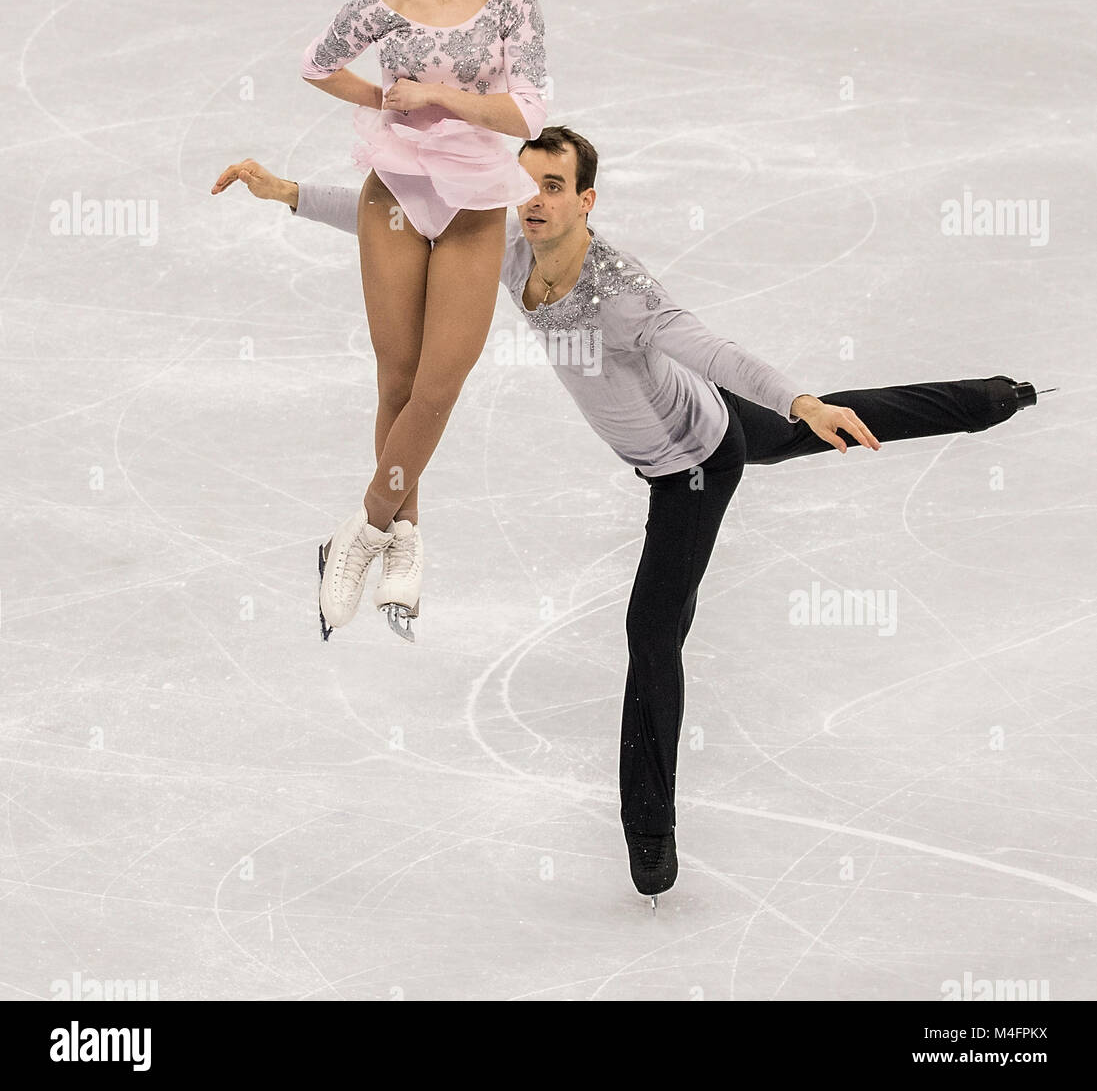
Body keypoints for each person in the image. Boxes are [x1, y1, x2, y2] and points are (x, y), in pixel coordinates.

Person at [211, 129, 1040, 901]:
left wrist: (797, 394)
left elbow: (714, 351)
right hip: (697, 422)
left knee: (653, 631)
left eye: (553, 186)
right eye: (523, 183)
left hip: (688, 469)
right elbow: (397, 217)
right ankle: (992, 397)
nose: (532, 199)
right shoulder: (504, 249)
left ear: (586, 202)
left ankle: (650, 830)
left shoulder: (626, 296)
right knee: (800, 435)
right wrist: (284, 191)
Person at [268, 0, 575, 638]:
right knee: (399, 380)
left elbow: (529, 114)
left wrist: (435, 95)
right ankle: (405, 537)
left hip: (474, 201)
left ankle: (361, 532)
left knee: (440, 385)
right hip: (397, 195)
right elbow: (315, 64)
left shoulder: (513, 6)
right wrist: (378, 100)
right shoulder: (385, 7)